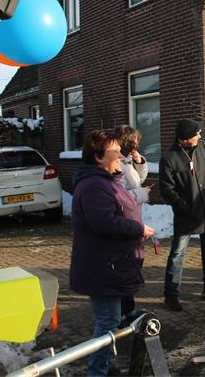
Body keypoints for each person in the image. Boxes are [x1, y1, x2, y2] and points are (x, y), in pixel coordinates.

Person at [69, 130, 154, 377]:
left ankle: (104, 367)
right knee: (107, 322)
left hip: (110, 264)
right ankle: (98, 372)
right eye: (114, 151)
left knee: (111, 321)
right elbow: (103, 222)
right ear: (98, 157)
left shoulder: (106, 181)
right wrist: (138, 228)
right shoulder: (95, 185)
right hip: (103, 267)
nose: (120, 155)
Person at [159, 119, 205, 310]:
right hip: (186, 215)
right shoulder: (169, 158)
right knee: (177, 253)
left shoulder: (202, 147)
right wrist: (184, 206)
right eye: (196, 134)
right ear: (185, 138)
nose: (199, 136)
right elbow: (167, 189)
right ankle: (171, 294)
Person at [113, 125, 153, 319]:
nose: (137, 145)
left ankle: (127, 310)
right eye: (135, 142)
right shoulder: (115, 163)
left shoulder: (126, 160)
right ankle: (123, 313)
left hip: (133, 218)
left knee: (132, 266)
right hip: (124, 222)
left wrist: (140, 162)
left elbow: (137, 180)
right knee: (126, 267)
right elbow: (118, 196)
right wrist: (141, 193)